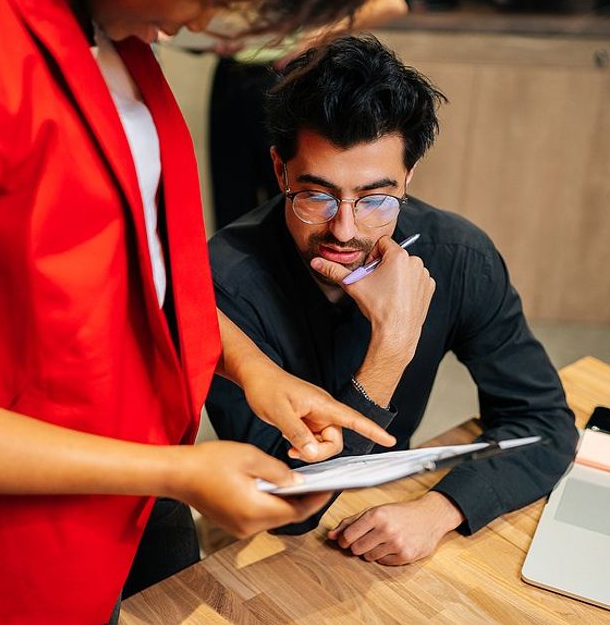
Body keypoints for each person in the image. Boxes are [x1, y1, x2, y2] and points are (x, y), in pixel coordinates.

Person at [0, 0, 399, 622]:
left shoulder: (109, 26)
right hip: (24, 536)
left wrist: (254, 371)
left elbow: (138, 284)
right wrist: (174, 474)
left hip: (142, 476)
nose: (198, 25)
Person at [206, 34, 578, 565]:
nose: (345, 228)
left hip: (389, 509)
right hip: (266, 546)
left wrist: (444, 508)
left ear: (409, 177)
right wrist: (391, 349)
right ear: (279, 171)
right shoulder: (221, 284)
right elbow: (286, 507)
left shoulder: (458, 255)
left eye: (377, 198)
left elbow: (542, 422)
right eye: (315, 194)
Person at [209, 0, 409, 230]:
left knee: (296, 198)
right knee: (231, 202)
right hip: (234, 73)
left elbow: (390, 2)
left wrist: (309, 39)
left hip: (288, 74)